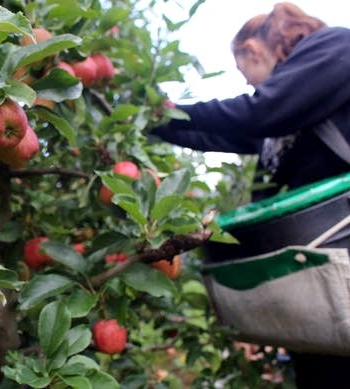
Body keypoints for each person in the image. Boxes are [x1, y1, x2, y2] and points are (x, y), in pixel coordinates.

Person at [148, 2, 350, 388]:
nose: (248, 85)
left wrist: (173, 109)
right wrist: (157, 121)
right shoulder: (290, 113)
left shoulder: (334, 48)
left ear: (253, 51)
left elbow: (258, 112)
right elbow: (218, 133)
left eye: (245, 72)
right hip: (321, 276)